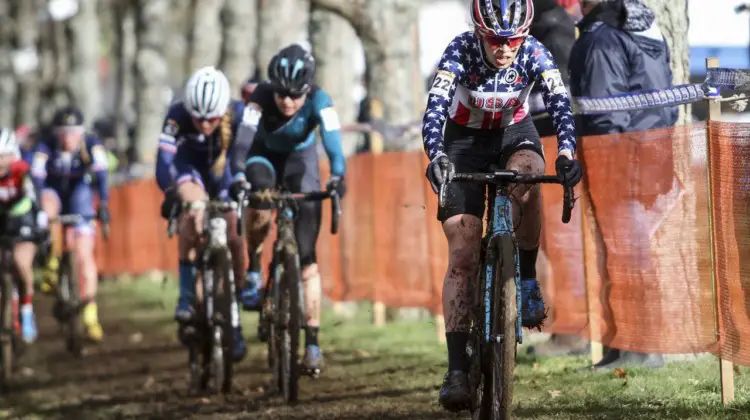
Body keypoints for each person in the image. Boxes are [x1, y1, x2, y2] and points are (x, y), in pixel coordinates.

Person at [422, 0, 582, 411]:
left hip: (514, 133)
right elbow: (435, 109)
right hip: (463, 141)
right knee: (462, 249)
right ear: (479, 31)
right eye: (496, 39)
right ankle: (457, 368)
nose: (506, 48)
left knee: (528, 174)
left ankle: (525, 279)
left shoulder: (533, 50)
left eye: (513, 39)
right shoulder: (459, 50)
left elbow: (560, 100)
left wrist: (566, 153)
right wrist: (436, 154)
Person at [566, 0, 677, 369]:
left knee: (627, 256)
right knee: (629, 254)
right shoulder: (644, 30)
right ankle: (626, 345)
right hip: (650, 157)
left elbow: (603, 113)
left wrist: (603, 167)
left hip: (618, 161)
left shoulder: (602, 40)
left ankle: (639, 348)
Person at [230, 44, 346, 375]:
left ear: (308, 90)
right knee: (261, 200)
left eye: (296, 95)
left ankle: (312, 343)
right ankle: (254, 267)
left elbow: (334, 146)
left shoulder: (321, 101)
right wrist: (238, 174)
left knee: (308, 263)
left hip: (301, 163)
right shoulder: (259, 98)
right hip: (262, 157)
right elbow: (242, 141)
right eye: (281, 94)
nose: (288, 101)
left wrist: (337, 176)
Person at [155, 66, 249, 363]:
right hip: (190, 169)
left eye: (212, 118)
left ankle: (234, 310)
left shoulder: (239, 113)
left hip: (226, 172)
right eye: (199, 118)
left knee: (234, 232)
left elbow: (248, 154)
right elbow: (163, 163)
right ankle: (186, 295)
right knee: (193, 214)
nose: (206, 124)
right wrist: (171, 192)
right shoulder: (176, 115)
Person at [31, 106, 110, 343]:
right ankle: (53, 263)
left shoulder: (92, 144)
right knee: (48, 205)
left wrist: (104, 205)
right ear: (56, 133)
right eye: (63, 132)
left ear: (81, 132)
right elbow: (36, 177)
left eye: (73, 132)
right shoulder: (45, 146)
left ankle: (90, 314)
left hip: (79, 193)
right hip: (53, 192)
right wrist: (39, 212)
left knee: (85, 254)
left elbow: (103, 174)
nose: (68, 138)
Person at [0, 129, 48, 343]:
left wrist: (40, 218)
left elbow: (32, 193)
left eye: (4, 156)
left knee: (21, 263)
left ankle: (27, 311)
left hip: (23, 219)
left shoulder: (22, 170)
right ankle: (10, 305)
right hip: (2, 221)